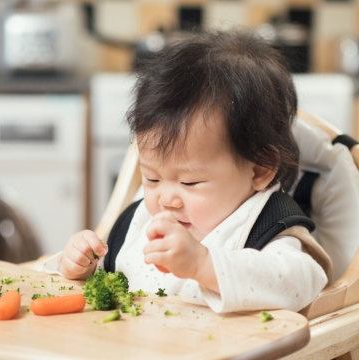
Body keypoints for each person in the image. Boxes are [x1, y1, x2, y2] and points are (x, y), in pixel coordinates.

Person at [44, 29, 332, 313]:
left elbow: (299, 282)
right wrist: (80, 265)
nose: (166, 199)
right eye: (152, 178)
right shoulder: (140, 219)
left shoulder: (268, 227)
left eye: (190, 182)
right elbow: (109, 275)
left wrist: (203, 265)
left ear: (259, 169)